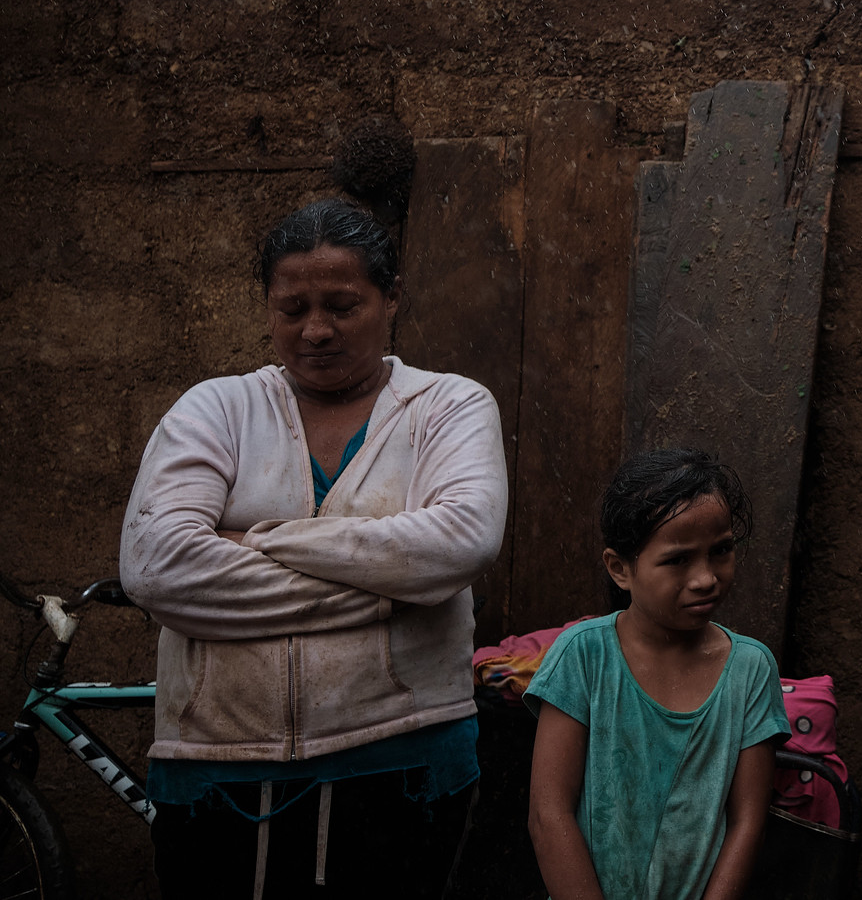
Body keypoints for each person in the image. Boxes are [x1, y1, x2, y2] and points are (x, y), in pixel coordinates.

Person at [121, 197, 508, 900]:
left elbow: (462, 540)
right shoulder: (216, 409)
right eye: (292, 308)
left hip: (404, 761)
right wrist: (394, 583)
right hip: (218, 768)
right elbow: (156, 565)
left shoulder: (448, 406)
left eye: (342, 304)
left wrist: (257, 540)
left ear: (391, 298)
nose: (316, 330)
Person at [527, 449, 789, 900]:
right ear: (620, 569)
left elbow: (748, 821)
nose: (706, 578)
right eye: (678, 560)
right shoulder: (584, 655)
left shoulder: (750, 669)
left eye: (721, 550)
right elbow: (548, 815)